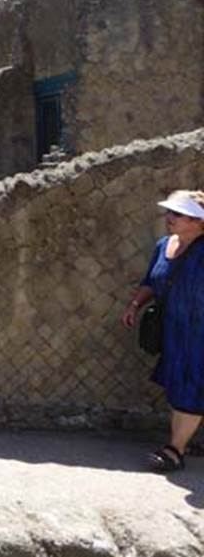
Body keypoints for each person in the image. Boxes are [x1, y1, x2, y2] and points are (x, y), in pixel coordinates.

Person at [122, 190, 204, 472]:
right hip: (174, 331)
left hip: (200, 333)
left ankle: (175, 450)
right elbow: (151, 281)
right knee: (179, 386)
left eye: (178, 214)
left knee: (190, 388)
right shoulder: (163, 246)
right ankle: (183, 441)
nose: (169, 218)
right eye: (169, 212)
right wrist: (135, 304)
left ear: (198, 221)